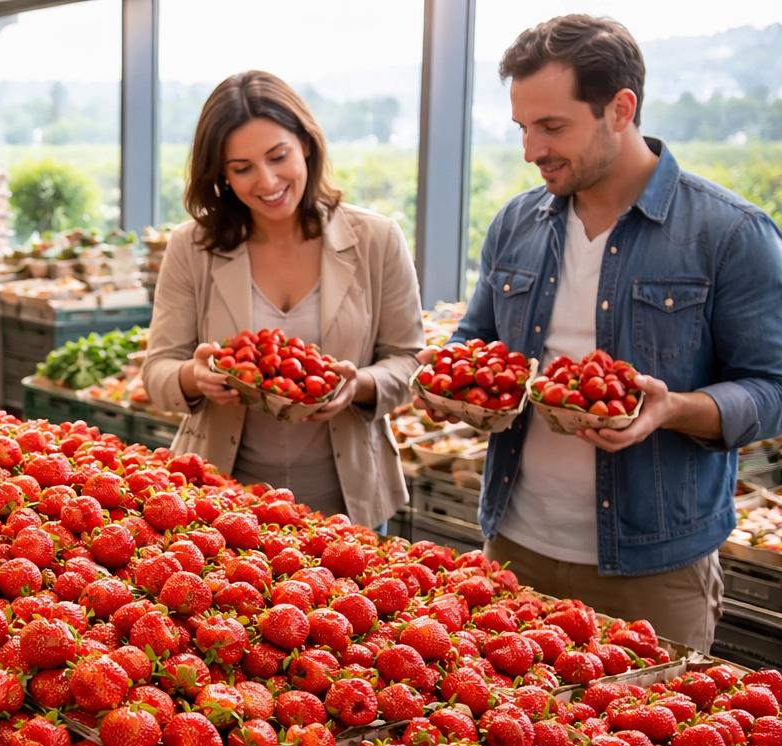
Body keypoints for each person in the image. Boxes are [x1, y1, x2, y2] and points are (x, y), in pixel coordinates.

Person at [441, 14, 782, 650]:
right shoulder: (515, 223)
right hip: (514, 546)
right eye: (522, 127)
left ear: (620, 109)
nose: (531, 150)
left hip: (653, 572)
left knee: (643, 742)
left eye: (552, 126)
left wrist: (672, 409)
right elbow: (475, 339)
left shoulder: (730, 234)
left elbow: (771, 389)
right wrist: (460, 388)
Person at [140, 70, 424, 529]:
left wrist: (360, 385)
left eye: (278, 156)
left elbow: (409, 360)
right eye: (242, 168)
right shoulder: (192, 247)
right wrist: (195, 377)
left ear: (306, 144)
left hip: (346, 500)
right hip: (221, 503)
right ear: (221, 174)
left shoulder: (376, 239)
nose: (267, 181)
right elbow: (157, 371)